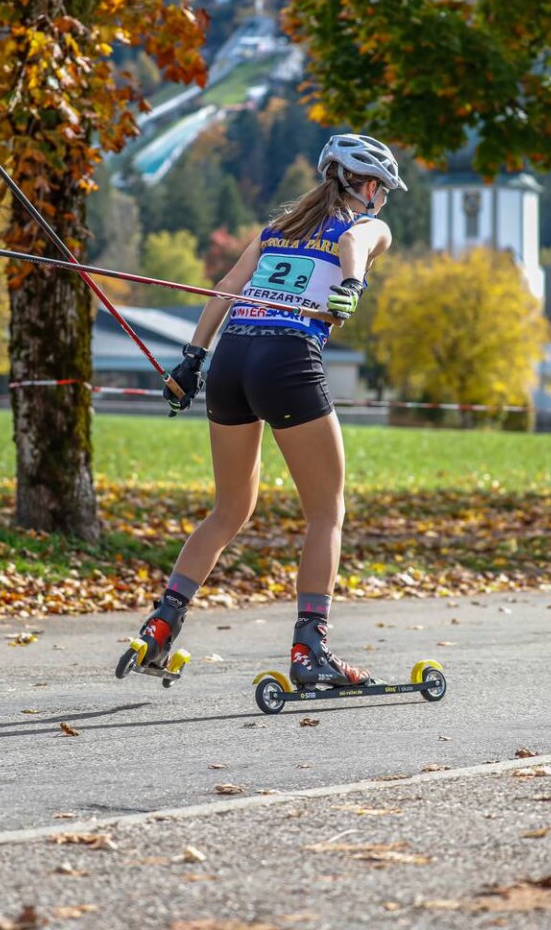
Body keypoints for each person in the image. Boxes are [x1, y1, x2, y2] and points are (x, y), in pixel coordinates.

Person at [129, 134, 407, 688]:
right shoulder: (369, 223)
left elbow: (226, 289)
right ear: (369, 186)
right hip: (286, 358)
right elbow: (356, 239)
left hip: (232, 356)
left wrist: (191, 361)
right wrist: (351, 284)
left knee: (229, 508)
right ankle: (310, 650)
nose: (381, 201)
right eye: (382, 190)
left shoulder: (276, 230)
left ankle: (163, 621)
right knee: (327, 512)